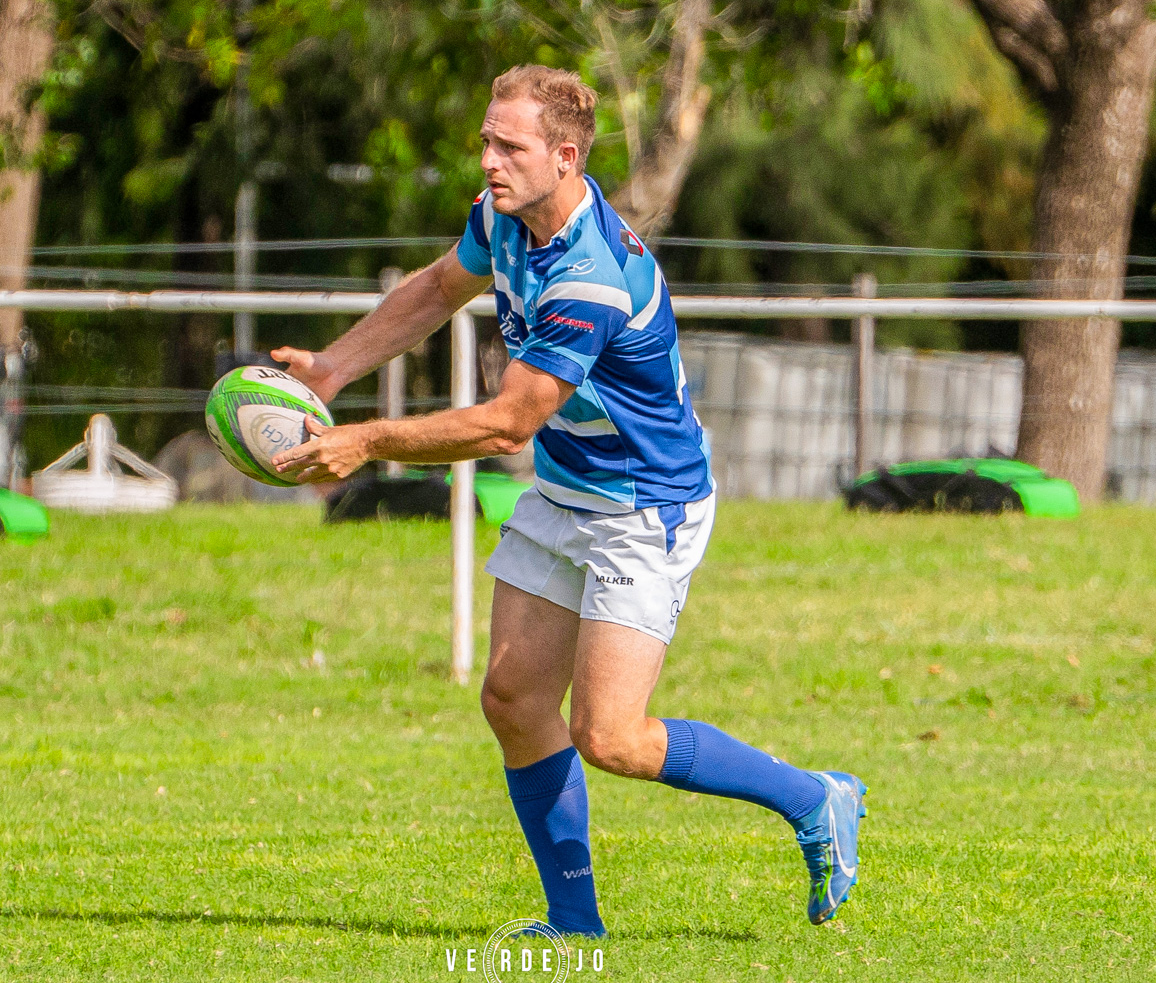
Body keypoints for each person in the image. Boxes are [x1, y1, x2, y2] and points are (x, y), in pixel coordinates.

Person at [270, 64, 866, 936]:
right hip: (569, 487)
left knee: (612, 736)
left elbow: (508, 424)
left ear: (564, 156)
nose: (488, 162)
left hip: (644, 507)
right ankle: (573, 923)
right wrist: (334, 369)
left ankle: (815, 797)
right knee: (512, 700)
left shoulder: (590, 277)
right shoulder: (502, 220)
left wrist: (369, 440)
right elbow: (440, 289)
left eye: (508, 148)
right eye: (484, 140)